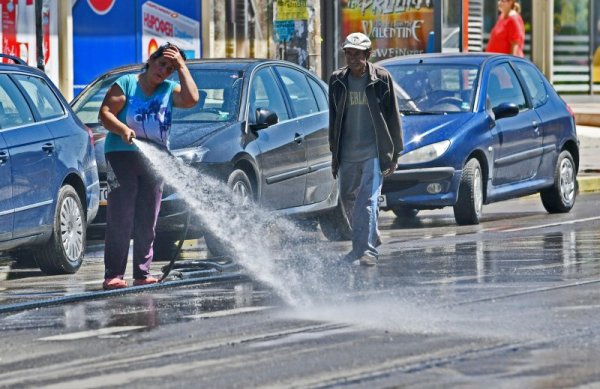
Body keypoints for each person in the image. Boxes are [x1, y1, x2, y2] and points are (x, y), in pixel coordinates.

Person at [99, 43, 199, 290]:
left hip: (155, 158)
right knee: (122, 216)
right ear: (151, 60)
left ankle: (142, 273)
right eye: (161, 63)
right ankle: (114, 274)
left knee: (148, 217)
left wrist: (182, 67)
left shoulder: (169, 90)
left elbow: (192, 99)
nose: (164, 71)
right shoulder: (127, 84)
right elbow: (105, 113)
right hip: (122, 154)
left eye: (170, 68)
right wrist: (123, 130)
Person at [328, 32, 403, 267]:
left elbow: (393, 117)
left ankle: (366, 250)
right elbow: (333, 117)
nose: (351, 58)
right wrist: (334, 152)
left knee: (368, 202)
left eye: (357, 54)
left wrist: (394, 154)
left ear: (368, 55)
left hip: (373, 151)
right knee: (348, 201)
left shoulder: (381, 78)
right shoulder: (337, 80)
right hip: (346, 152)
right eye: (348, 53)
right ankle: (370, 235)